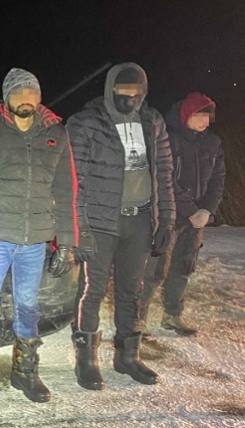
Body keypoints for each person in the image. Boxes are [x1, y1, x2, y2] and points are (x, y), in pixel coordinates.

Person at [0, 68, 83, 407]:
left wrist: (66, 242)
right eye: (19, 93)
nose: (26, 99)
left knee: (28, 306)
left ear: (39, 97)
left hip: (34, 241)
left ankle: (25, 371)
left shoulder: (56, 133)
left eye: (32, 93)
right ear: (6, 97)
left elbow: (66, 189)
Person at [66, 62, 176, 390]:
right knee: (92, 290)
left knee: (132, 290)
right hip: (99, 221)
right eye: (123, 90)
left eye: (137, 91)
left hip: (139, 219)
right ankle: (86, 360)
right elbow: (74, 179)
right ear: (110, 89)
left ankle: (127, 356)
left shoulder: (152, 121)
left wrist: (166, 220)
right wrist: (79, 227)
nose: (131, 97)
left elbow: (164, 173)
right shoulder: (86, 123)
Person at [138, 92, 225, 337]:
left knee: (184, 267)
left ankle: (172, 315)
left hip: (197, 219)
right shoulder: (166, 137)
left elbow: (218, 180)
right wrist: (191, 209)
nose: (206, 121)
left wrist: (207, 210)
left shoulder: (213, 142)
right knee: (153, 269)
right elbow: (163, 178)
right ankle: (138, 317)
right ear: (187, 114)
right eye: (201, 115)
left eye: (208, 116)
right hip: (168, 214)